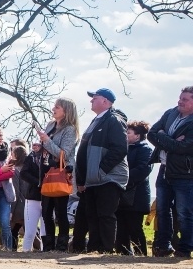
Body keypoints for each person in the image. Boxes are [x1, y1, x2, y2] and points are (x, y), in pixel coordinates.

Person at [76, 88, 128, 254]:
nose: (91, 101)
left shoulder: (114, 120)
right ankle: (94, 248)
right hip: (92, 179)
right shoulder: (95, 121)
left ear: (105, 101)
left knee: (105, 214)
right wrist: (83, 178)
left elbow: (120, 149)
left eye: (95, 98)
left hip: (108, 178)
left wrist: (101, 170)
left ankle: (106, 249)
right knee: (92, 215)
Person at [147, 85, 193, 258]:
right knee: (162, 210)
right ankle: (163, 245)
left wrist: (164, 136)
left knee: (184, 213)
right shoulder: (170, 113)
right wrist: (170, 141)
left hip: (185, 174)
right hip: (164, 169)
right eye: (180, 98)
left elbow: (182, 147)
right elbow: (151, 133)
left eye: (185, 99)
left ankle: (185, 248)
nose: (179, 101)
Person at [35, 98, 80, 252]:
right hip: (47, 174)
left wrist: (46, 141)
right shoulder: (50, 125)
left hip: (61, 176)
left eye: (57, 107)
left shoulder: (70, 130)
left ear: (66, 111)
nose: (53, 109)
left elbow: (64, 154)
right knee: (46, 213)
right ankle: (47, 247)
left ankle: (61, 247)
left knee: (60, 213)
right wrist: (39, 146)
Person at [115, 121, 153, 255]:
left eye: (128, 132)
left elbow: (143, 169)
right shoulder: (123, 148)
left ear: (137, 136)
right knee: (121, 228)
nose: (125, 135)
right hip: (122, 193)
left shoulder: (145, 149)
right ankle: (123, 253)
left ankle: (140, 253)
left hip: (136, 195)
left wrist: (123, 178)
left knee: (134, 227)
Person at [17, 144, 44, 252]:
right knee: (30, 231)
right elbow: (23, 173)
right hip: (33, 197)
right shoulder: (32, 157)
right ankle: (26, 251)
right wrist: (38, 183)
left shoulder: (53, 156)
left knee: (45, 231)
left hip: (50, 197)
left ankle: (45, 252)